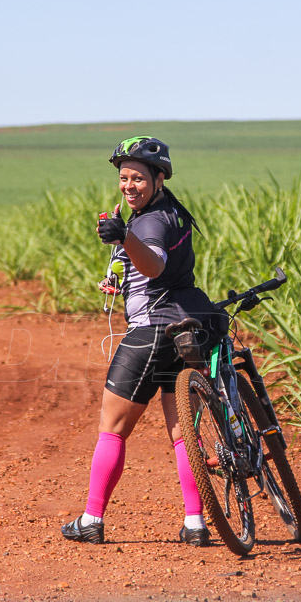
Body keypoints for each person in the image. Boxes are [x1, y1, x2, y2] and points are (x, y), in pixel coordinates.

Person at [61, 136, 222, 547]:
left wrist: (125, 238)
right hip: (188, 325)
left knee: (112, 428)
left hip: (152, 332)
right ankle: (195, 523)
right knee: (183, 430)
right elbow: (156, 272)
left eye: (138, 178)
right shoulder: (171, 211)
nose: (129, 185)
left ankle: (91, 518)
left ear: (159, 178)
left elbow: (153, 266)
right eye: (123, 177)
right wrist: (122, 279)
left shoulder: (147, 222)